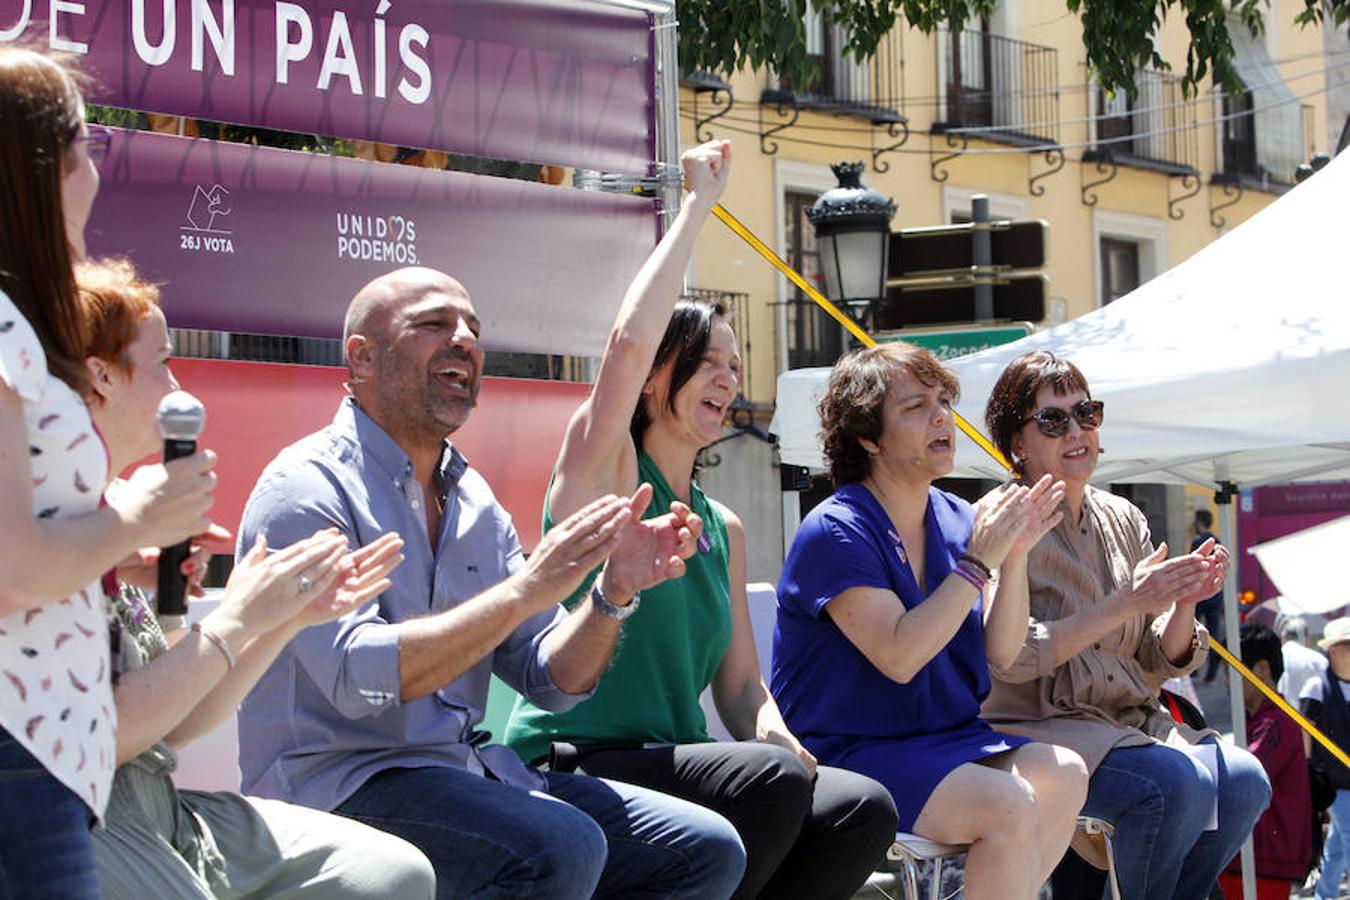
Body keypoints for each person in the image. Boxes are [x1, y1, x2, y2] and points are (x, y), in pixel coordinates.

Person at [235, 265, 746, 900]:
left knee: (703, 851)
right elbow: (358, 680)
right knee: (560, 848)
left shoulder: (473, 499)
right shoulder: (305, 488)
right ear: (361, 357)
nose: (463, 341)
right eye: (432, 324)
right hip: (339, 787)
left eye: (473, 330)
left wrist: (613, 594)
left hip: (467, 773)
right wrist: (523, 592)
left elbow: (551, 679)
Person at [502, 141, 898, 900]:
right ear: (657, 381)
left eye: (735, 364)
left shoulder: (723, 524)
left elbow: (742, 690)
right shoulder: (607, 475)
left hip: (678, 764)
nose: (731, 377)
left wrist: (774, 728)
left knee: (859, 808)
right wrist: (696, 207)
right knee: (772, 783)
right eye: (710, 362)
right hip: (574, 762)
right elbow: (622, 345)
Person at [74, 259, 435, 899]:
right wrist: (240, 615)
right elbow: (96, 743)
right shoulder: (45, 533)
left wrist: (284, 617)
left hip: (164, 810)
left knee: (392, 876)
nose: (177, 387)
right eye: (161, 362)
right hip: (79, 820)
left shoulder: (119, 517)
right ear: (100, 375)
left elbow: (176, 726)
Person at [0, 47, 216, 897]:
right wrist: (137, 519)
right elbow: (13, 569)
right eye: (85, 151)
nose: (93, 176)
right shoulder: (6, 335)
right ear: (37, 169)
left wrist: (113, 553)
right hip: (17, 752)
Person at [771, 342, 1088, 900]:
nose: (942, 416)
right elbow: (899, 656)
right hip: (849, 750)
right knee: (1007, 806)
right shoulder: (835, 529)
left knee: (1065, 773)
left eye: (943, 400)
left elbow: (1002, 653)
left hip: (945, 738)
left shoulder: (958, 517)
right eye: (916, 406)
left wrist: (1012, 558)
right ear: (868, 437)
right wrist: (979, 562)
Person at [981, 350, 1270, 900]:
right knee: (1175, 785)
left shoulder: (1124, 516)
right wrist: (1125, 602)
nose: (1076, 430)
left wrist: (1183, 601)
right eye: (1053, 420)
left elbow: (1155, 658)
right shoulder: (1000, 519)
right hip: (1041, 728)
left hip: (1132, 724)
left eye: (1086, 413)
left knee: (1244, 781)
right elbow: (1010, 657)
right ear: (1017, 442)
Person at [1218, 623, 1312, 900]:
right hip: (1255, 858)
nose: (1227, 682)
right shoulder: (1263, 719)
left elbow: (1243, 776)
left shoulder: (1277, 721)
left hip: (1262, 860)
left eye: (1230, 671)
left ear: (1261, 669)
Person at [1301, 617, 1350, 900]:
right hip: (1332, 782)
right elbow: (1305, 732)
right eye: (1345, 645)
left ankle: (1325, 895)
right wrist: (1308, 773)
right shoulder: (1315, 687)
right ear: (1332, 650)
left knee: (1338, 846)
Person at [1191, 509, 1224, 683]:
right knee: (1214, 635)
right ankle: (1212, 670)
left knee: (1193, 634)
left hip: (1199, 596)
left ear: (1200, 522)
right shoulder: (1218, 542)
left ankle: (1192, 669)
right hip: (1215, 595)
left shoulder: (1197, 543)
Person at [1277, 614, 1327, 706]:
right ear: (1306, 637)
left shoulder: (1274, 658)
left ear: (1283, 636)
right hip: (1309, 717)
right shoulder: (1318, 660)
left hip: (1280, 717)